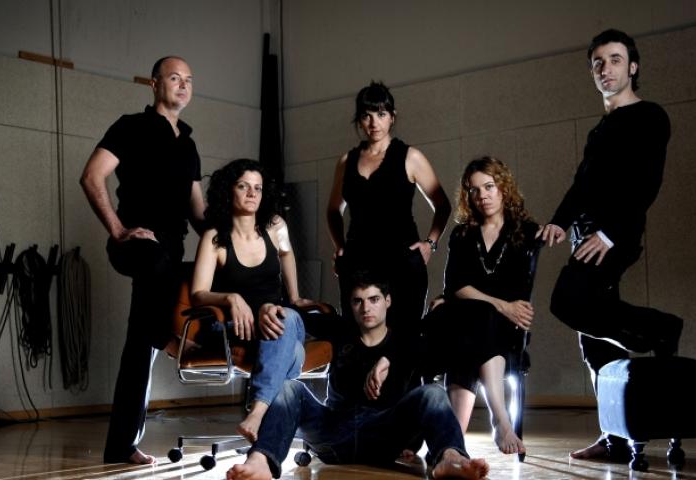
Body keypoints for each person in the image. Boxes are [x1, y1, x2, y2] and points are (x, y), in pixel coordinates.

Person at [535, 29, 682, 460]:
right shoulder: (600, 130)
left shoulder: (650, 116)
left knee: (567, 301)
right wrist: (559, 223)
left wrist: (610, 233)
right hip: (585, 235)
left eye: (615, 59)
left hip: (613, 234)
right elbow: (582, 185)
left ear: (632, 67)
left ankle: (660, 328)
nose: (606, 68)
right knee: (592, 341)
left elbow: (647, 182)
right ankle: (615, 438)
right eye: (598, 62)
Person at [225, 271, 490, 480]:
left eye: (374, 299)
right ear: (351, 305)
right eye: (358, 301)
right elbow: (294, 316)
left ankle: (451, 458)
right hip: (332, 435)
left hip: (382, 436)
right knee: (289, 388)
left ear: (387, 301)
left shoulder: (406, 340)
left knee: (433, 393)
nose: (366, 308)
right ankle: (261, 460)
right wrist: (268, 307)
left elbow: (431, 337)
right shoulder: (340, 328)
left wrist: (389, 359)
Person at [79, 56, 205, 464]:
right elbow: (92, 176)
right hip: (135, 244)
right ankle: (166, 336)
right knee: (155, 261)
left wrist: (237, 238)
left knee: (138, 345)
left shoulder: (188, 145)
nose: (183, 85)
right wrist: (118, 229)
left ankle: (121, 446)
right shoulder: (130, 126)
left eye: (188, 80)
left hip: (171, 250)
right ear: (154, 84)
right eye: (174, 78)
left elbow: (199, 213)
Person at [191, 159, 314, 443]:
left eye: (257, 188)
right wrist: (231, 298)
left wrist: (294, 296)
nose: (252, 193)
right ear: (228, 191)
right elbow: (198, 293)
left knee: (285, 317)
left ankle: (256, 412)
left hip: (274, 321)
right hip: (236, 328)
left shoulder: (275, 226)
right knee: (294, 353)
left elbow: (286, 254)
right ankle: (264, 416)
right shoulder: (215, 238)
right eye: (243, 186)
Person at [425, 156, 538, 455]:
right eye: (474, 190)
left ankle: (454, 441)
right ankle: (499, 420)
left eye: (489, 186)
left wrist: (495, 304)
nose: (482, 196)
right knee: (474, 319)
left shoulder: (525, 231)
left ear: (503, 187)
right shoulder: (463, 234)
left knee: (476, 328)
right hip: (469, 317)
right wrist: (500, 304)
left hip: (502, 327)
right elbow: (455, 286)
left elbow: (515, 290)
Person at [326, 81, 451, 341]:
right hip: (357, 264)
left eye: (381, 114)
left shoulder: (410, 157)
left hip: (402, 264)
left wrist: (431, 243)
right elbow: (333, 211)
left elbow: (443, 204)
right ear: (359, 120)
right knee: (356, 341)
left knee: (403, 341)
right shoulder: (347, 161)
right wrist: (340, 247)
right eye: (367, 115)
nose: (374, 123)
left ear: (392, 117)